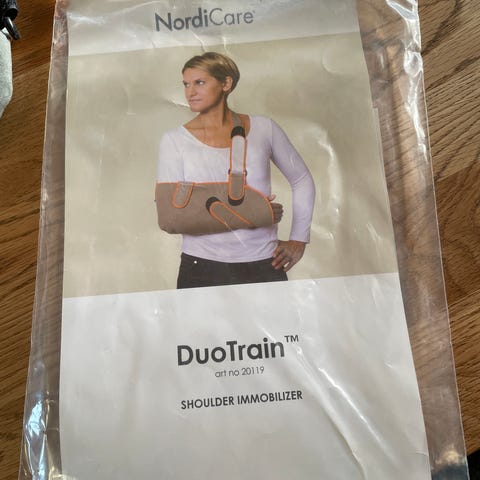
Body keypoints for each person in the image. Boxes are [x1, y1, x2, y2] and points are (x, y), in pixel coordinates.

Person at [156, 52, 315, 288]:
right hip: (201, 266)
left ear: (226, 83)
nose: (190, 92)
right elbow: (170, 217)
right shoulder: (174, 140)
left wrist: (299, 239)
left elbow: (301, 179)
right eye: (186, 84)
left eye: (200, 82)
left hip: (264, 262)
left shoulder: (264, 128)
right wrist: (253, 212)